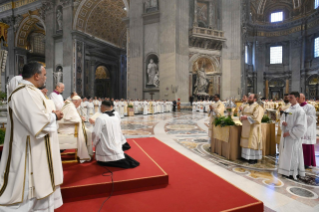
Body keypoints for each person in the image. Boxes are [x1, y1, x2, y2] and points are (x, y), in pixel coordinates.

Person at [0, 62, 64, 211]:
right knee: (27, 190)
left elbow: (37, 115)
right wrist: (55, 117)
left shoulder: (30, 91)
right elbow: (37, 122)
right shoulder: (24, 92)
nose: (45, 78)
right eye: (45, 74)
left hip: (34, 144)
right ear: (36, 75)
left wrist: (51, 115)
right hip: (27, 148)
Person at [92, 101, 140, 168]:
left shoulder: (100, 118)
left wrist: (94, 143)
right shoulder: (115, 117)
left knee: (102, 161)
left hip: (105, 148)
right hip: (116, 145)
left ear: (102, 107)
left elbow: (96, 134)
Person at [278, 92, 307, 180]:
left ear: (297, 99)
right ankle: (285, 171)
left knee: (293, 154)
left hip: (293, 137)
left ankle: (292, 172)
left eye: (291, 97)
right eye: (289, 97)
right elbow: (282, 119)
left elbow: (301, 127)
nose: (289, 99)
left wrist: (290, 132)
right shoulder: (287, 110)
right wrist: (282, 123)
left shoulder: (300, 111)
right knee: (285, 153)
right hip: (286, 136)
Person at [58, 95, 92, 162]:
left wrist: (80, 118)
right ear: (76, 102)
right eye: (79, 104)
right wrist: (81, 119)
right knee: (88, 132)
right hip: (67, 129)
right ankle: (86, 153)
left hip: (64, 127)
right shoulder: (71, 107)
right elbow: (76, 119)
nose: (78, 106)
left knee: (87, 131)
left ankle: (87, 152)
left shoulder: (69, 105)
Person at [240, 93, 264, 164]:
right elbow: (241, 114)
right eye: (249, 97)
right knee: (246, 142)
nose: (248, 99)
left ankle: (253, 158)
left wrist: (247, 117)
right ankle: (246, 156)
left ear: (255, 99)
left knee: (253, 142)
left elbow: (257, 119)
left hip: (253, 129)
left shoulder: (258, 107)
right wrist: (241, 116)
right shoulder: (246, 107)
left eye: (250, 98)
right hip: (245, 127)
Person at [299, 93, 317, 169]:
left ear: (303, 98)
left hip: (307, 129)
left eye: (298, 98)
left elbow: (311, 119)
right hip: (298, 129)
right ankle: (299, 162)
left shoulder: (310, 107)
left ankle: (307, 162)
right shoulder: (296, 107)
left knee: (306, 145)